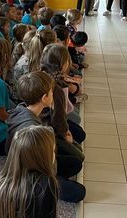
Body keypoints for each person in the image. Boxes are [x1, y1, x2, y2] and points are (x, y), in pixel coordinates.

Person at [7, 72, 86, 203]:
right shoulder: (33, 130)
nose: (53, 94)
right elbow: (39, 165)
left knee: (75, 163)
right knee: (79, 192)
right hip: (30, 176)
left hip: (35, 163)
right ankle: (45, 187)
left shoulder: (22, 110)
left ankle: (55, 181)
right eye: (51, 92)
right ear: (44, 98)